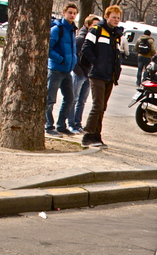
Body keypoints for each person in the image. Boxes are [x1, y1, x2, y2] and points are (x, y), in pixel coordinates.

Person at [80, 5, 123, 149]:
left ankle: (96, 135)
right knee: (97, 105)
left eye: (118, 18)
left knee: (102, 107)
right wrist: (96, 63)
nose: (116, 20)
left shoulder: (116, 34)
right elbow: (86, 48)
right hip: (98, 74)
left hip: (109, 75)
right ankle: (88, 135)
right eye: (113, 17)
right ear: (107, 17)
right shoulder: (97, 29)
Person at [46, 2, 79, 137]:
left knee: (70, 98)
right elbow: (48, 48)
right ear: (64, 13)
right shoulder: (57, 29)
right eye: (70, 12)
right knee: (50, 99)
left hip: (67, 70)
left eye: (74, 13)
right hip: (56, 69)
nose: (72, 15)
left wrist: (73, 60)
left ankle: (61, 125)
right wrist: (61, 59)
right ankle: (48, 126)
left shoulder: (72, 29)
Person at [69, 14, 99, 134]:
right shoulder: (81, 39)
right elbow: (74, 56)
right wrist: (78, 71)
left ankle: (77, 123)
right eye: (94, 25)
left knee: (82, 101)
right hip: (80, 73)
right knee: (74, 99)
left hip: (89, 74)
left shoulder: (95, 39)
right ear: (88, 25)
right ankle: (71, 123)